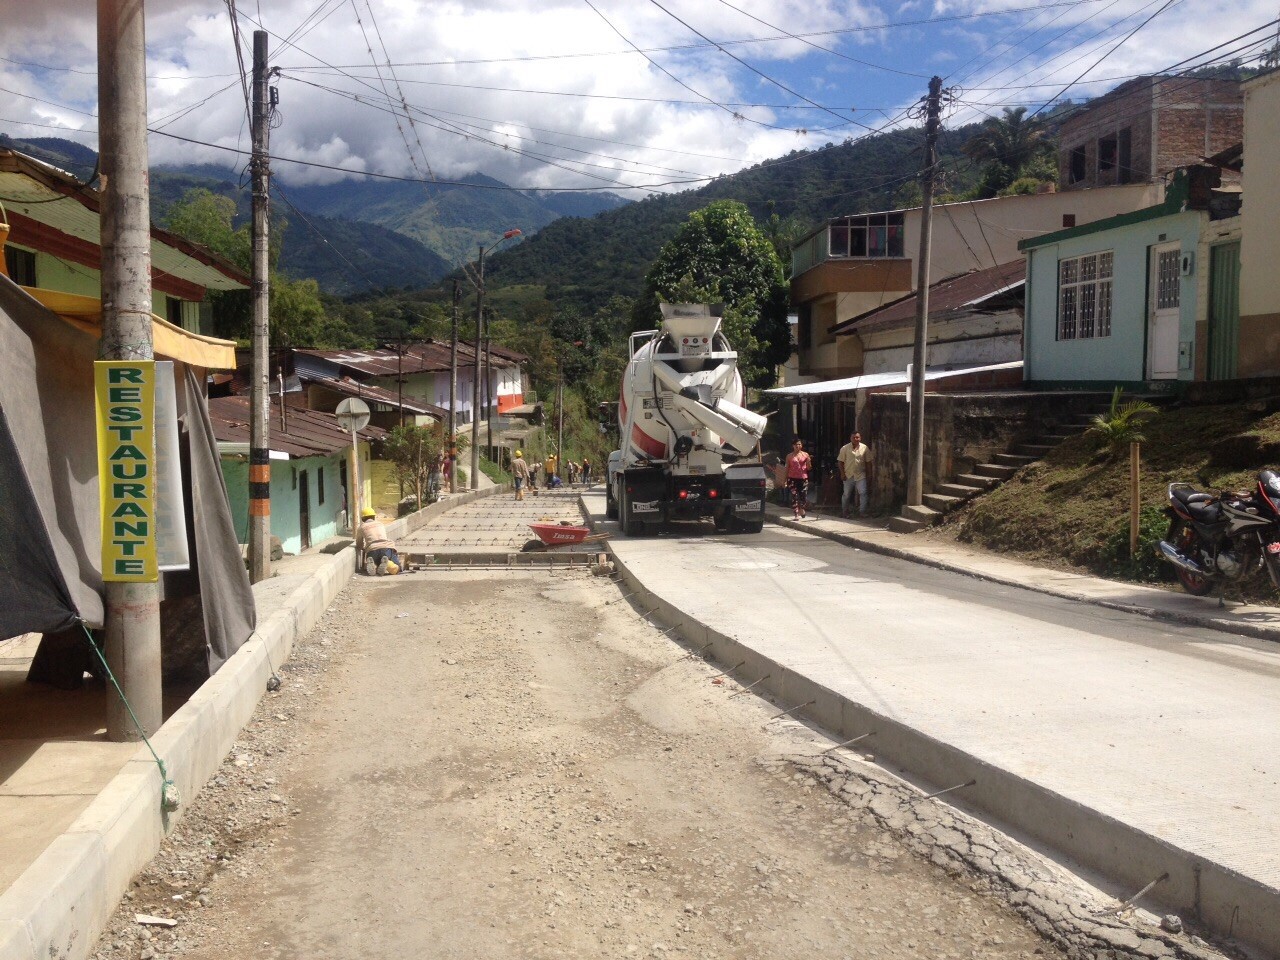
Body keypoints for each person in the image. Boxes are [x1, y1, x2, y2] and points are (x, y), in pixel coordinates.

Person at [837, 430, 873, 518]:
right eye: (854, 437)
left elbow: (868, 462)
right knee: (846, 494)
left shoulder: (865, 448)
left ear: (860, 438)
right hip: (848, 475)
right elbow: (840, 462)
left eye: (857, 437)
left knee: (863, 493)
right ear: (851, 438)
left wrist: (869, 474)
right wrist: (842, 474)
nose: (856, 439)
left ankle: (862, 512)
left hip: (861, 475)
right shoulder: (844, 448)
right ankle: (845, 511)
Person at [356, 507, 401, 575]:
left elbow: (359, 545)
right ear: (374, 517)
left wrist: (363, 548)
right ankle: (388, 563)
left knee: (377, 560)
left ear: (363, 518)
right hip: (386, 548)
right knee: (398, 567)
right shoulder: (380, 524)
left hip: (372, 550)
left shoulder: (361, 528)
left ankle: (374, 565)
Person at [785, 436, 812, 521]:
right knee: (794, 496)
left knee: (803, 496)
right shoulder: (789, 456)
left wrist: (809, 462)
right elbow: (787, 468)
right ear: (793, 446)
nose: (798, 446)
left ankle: (802, 508)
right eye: (796, 445)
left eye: (799, 444)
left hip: (803, 478)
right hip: (792, 478)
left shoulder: (805, 455)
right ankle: (796, 513)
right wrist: (784, 480)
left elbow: (809, 468)